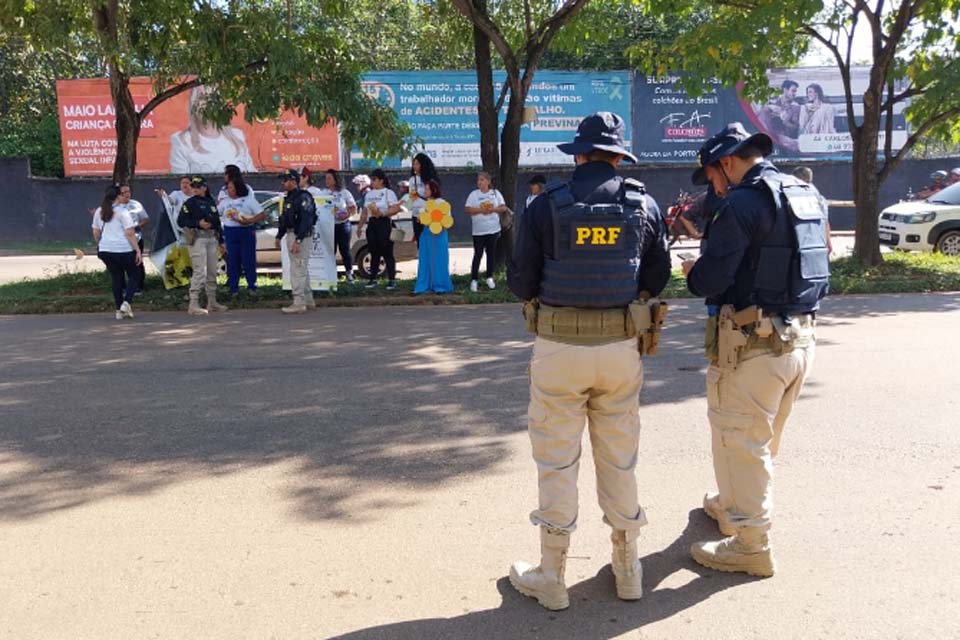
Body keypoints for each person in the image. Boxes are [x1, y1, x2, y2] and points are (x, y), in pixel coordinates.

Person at [506, 112, 671, 610]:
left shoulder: (546, 205)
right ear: (618, 157)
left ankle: (552, 575)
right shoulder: (643, 202)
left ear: (577, 154)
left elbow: (520, 282)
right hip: (620, 351)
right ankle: (628, 570)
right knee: (619, 458)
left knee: (556, 461)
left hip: (558, 351)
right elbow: (659, 277)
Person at [680, 122, 829, 578]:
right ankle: (731, 505)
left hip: (753, 344)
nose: (712, 185)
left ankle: (750, 543)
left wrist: (692, 270)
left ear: (726, 163)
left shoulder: (742, 203)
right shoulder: (805, 194)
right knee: (757, 437)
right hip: (799, 338)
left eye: (710, 175)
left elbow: (711, 278)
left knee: (740, 439)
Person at [169, 85, 255, 174]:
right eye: (202, 98)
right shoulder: (182, 141)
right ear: (193, 105)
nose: (209, 103)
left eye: (214, 97)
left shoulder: (238, 137)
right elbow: (180, 184)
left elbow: (254, 179)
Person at [177, 176, 227, 316]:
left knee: (212, 271)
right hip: (198, 238)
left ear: (204, 187)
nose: (195, 189)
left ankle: (212, 302)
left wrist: (221, 241)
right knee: (199, 271)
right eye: (193, 187)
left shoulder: (210, 201)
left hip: (212, 238)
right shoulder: (190, 203)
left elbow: (217, 222)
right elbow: (181, 221)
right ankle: (193, 303)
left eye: (198, 187)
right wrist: (198, 223)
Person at [92, 184, 143, 320]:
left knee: (116, 278)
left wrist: (101, 244)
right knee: (135, 274)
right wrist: (137, 250)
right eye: (121, 194)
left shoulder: (99, 211)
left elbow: (96, 232)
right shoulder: (122, 211)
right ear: (118, 197)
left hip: (105, 250)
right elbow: (130, 233)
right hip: (123, 249)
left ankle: (118, 310)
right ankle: (126, 303)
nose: (124, 196)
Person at [274, 168, 317, 313]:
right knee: (301, 268)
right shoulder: (289, 197)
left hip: (301, 236)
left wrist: (298, 240)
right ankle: (308, 300)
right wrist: (279, 236)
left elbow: (306, 219)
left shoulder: (303, 197)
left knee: (297, 269)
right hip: (291, 234)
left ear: (293, 181)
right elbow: (284, 219)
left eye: (285, 180)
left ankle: (298, 302)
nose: (282, 183)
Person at [218, 173, 265, 296]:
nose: (228, 190)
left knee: (248, 259)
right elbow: (216, 213)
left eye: (231, 188)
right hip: (230, 232)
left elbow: (262, 214)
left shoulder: (249, 200)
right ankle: (234, 288)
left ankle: (252, 286)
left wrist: (248, 221)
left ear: (237, 188)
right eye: (227, 188)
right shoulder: (225, 202)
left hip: (246, 231)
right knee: (233, 260)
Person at [357, 169, 401, 290]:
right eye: (371, 179)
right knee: (374, 252)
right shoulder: (369, 194)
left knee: (387, 252)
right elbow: (365, 212)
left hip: (384, 222)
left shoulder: (388, 192)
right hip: (372, 224)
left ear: (381, 180)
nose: (372, 182)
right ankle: (373, 279)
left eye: (374, 179)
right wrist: (360, 226)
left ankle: (392, 279)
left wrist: (383, 213)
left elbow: (395, 209)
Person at [464, 171, 506, 292]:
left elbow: (503, 207)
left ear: (488, 181)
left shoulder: (495, 193)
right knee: (478, 254)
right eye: (478, 180)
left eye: (482, 180)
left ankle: (489, 277)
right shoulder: (474, 194)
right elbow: (467, 209)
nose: (479, 182)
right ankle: (474, 279)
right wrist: (480, 210)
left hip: (493, 229)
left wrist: (493, 209)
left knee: (491, 254)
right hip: (478, 231)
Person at [413, 179, 453, 295]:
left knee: (439, 259)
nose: (424, 191)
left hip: (439, 234)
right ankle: (424, 285)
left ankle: (441, 285)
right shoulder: (424, 203)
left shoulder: (442, 203)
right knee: (425, 259)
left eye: (426, 188)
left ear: (433, 190)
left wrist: (438, 227)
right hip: (426, 233)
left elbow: (447, 220)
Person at [320, 169, 358, 282]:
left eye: (329, 178)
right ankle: (331, 276)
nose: (326, 181)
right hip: (328, 226)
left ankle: (349, 274)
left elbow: (353, 208)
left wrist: (346, 215)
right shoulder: (323, 193)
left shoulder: (344, 192)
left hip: (343, 225)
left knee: (345, 250)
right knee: (330, 251)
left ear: (336, 179)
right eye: (326, 178)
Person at [792, 166, 832, 254]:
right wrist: (828, 241)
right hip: (816, 238)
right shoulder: (817, 195)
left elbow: (825, 221)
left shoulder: (792, 194)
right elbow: (825, 221)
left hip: (803, 237)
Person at [117, 184, 149, 292]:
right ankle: (122, 287)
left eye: (128, 191)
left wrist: (138, 226)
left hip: (136, 238)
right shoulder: (114, 207)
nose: (127, 194)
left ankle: (138, 286)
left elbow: (145, 219)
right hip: (120, 240)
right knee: (120, 264)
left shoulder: (136, 204)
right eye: (124, 192)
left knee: (137, 262)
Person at [757, 80, 801, 146]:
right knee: (764, 110)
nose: (795, 94)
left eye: (795, 91)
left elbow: (795, 127)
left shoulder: (795, 107)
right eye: (793, 91)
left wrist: (785, 120)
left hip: (783, 136)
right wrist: (770, 108)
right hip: (769, 132)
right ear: (785, 90)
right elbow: (761, 116)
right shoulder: (772, 102)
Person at [409, 153, 440, 244]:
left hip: (430, 212)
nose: (415, 166)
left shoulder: (431, 178)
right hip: (416, 213)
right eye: (414, 164)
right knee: (420, 240)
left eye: (417, 164)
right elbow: (411, 196)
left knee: (430, 240)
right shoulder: (412, 180)